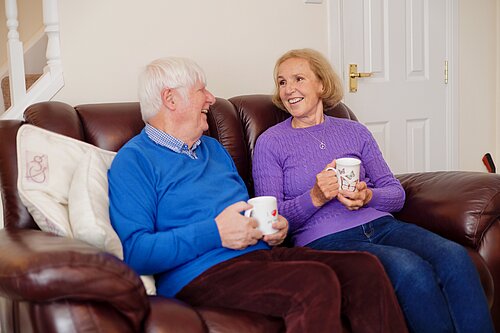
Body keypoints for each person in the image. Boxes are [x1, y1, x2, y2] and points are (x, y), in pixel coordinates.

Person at [108, 56, 408, 333]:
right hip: (200, 273)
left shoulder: (213, 149)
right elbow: (136, 252)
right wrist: (215, 233)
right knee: (313, 283)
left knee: (364, 268)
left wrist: (275, 229)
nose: (211, 99)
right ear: (171, 99)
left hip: (259, 256)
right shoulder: (135, 160)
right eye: (202, 90)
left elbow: (249, 212)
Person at [252, 48, 494, 333]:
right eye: (282, 82)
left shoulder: (354, 132)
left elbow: (395, 193)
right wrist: (315, 197)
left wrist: (369, 196)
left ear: (321, 83)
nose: (289, 89)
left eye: (298, 79)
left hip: (380, 225)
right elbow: (273, 221)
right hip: (324, 240)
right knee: (410, 268)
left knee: (454, 256)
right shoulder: (271, 143)